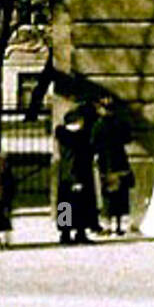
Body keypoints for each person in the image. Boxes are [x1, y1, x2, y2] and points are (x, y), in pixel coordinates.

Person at [54, 104, 99, 244]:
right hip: (78, 175)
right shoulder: (78, 139)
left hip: (65, 176)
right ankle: (80, 232)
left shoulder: (64, 136)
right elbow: (74, 160)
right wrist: (76, 179)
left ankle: (65, 233)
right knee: (80, 205)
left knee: (65, 204)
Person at [91, 96, 135, 237]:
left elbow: (93, 143)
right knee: (121, 196)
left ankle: (107, 225)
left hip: (106, 163)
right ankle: (118, 225)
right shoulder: (120, 123)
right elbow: (128, 138)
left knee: (108, 196)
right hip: (120, 161)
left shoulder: (98, 125)